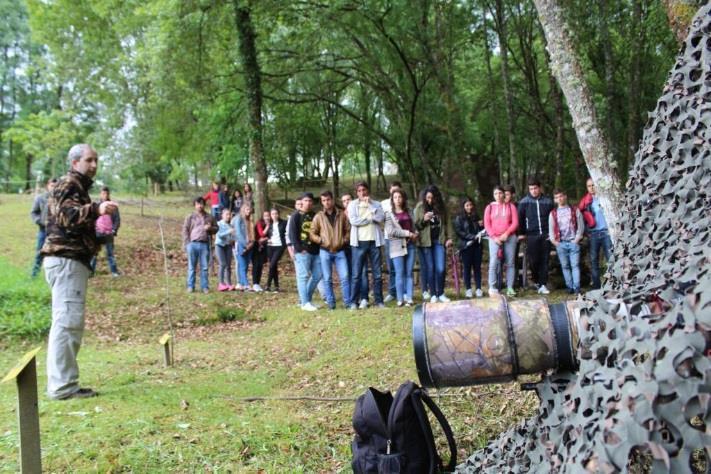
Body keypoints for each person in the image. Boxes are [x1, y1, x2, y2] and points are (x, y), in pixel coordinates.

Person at [41, 143, 118, 399]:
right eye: (88, 160)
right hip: (66, 260)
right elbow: (65, 216)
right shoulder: (68, 184)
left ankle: (64, 384)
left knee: (67, 321)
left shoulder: (78, 188)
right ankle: (63, 388)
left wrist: (98, 234)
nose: (94, 165)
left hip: (71, 260)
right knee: (67, 322)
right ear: (74, 163)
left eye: (96, 160)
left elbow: (72, 221)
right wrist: (96, 209)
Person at [309, 190, 352, 310]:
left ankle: (348, 303)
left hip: (340, 251)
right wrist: (321, 241)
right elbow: (312, 233)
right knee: (327, 278)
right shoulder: (319, 216)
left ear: (332, 200)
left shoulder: (342, 214)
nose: (326, 202)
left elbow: (348, 230)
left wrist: (343, 240)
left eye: (328, 200)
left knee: (345, 277)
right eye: (323, 200)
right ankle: (331, 304)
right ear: (321, 202)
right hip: (325, 251)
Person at [347, 181, 385, 309]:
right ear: (356, 192)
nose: (362, 193)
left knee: (377, 273)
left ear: (368, 190)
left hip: (374, 242)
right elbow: (353, 221)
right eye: (359, 191)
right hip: (359, 243)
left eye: (364, 190)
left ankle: (379, 301)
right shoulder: (352, 205)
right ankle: (355, 301)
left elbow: (380, 218)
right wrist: (369, 219)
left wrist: (370, 206)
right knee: (358, 274)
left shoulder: (376, 204)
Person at [414, 185, 453, 303]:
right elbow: (416, 226)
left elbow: (448, 223)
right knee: (430, 268)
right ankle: (433, 294)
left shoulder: (442, 208)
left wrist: (450, 238)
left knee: (440, 268)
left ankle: (441, 293)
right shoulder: (420, 207)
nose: (430, 200)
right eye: (428, 198)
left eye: (432, 198)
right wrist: (424, 220)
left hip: (439, 241)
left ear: (436, 197)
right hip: (426, 242)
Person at [517, 178, 555, 294]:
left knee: (545, 259)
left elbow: (554, 218)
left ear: (539, 188)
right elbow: (520, 219)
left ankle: (543, 284)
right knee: (533, 260)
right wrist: (522, 233)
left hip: (545, 234)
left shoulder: (548, 201)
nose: (533, 191)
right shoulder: (524, 202)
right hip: (531, 235)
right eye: (531, 189)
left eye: (535, 188)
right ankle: (536, 280)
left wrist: (552, 233)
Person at [289, 192, 322, 311]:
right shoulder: (295, 216)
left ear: (312, 203)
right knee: (302, 277)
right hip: (302, 251)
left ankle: (305, 300)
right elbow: (292, 234)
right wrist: (299, 249)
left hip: (316, 251)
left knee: (318, 275)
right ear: (301, 202)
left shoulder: (315, 215)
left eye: (310, 201)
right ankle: (304, 303)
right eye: (305, 201)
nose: (307, 203)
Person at [385, 189, 418, 306]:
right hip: (396, 247)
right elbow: (390, 231)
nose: (397, 200)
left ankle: (409, 298)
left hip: (411, 246)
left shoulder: (409, 211)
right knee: (399, 273)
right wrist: (407, 233)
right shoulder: (389, 215)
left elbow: (415, 226)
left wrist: (415, 234)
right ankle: (400, 299)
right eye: (395, 197)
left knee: (408, 273)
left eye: (400, 197)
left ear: (403, 199)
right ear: (392, 200)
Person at [578, 177, 613, 289]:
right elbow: (582, 220)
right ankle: (597, 287)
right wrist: (585, 233)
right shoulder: (585, 202)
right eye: (589, 186)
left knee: (611, 259)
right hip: (593, 234)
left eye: (593, 185)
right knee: (594, 261)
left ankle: (612, 285)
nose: (592, 188)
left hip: (606, 233)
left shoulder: (605, 198)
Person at [484, 185, 519, 296]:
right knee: (494, 262)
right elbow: (487, 225)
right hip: (494, 238)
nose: (498, 196)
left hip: (509, 237)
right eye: (495, 194)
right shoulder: (489, 207)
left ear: (504, 194)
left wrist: (507, 233)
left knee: (510, 263)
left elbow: (515, 223)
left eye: (500, 193)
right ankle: (492, 287)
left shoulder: (511, 206)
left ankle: (510, 287)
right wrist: (494, 237)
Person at [549, 189, 584, 295]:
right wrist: (554, 242)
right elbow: (551, 228)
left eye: (561, 196)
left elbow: (581, 226)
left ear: (565, 196)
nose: (559, 199)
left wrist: (577, 239)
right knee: (565, 266)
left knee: (575, 265)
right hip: (561, 243)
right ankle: (569, 287)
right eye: (557, 197)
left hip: (573, 241)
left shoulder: (574, 210)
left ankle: (577, 287)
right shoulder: (553, 213)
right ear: (555, 200)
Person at [182, 196, 218, 293]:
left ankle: (204, 286)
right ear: (195, 205)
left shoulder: (209, 217)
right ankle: (190, 286)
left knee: (205, 267)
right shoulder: (190, 217)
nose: (200, 206)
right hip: (192, 244)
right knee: (191, 267)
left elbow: (216, 228)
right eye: (198, 204)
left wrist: (210, 228)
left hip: (204, 244)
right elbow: (185, 230)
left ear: (204, 205)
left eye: (201, 204)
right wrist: (187, 243)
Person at [342, 192, 369, 303]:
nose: (346, 202)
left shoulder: (359, 211)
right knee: (350, 273)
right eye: (344, 201)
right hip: (346, 247)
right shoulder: (341, 215)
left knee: (362, 272)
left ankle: (364, 297)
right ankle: (353, 298)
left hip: (359, 244)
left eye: (348, 199)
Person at [454, 196, 484, 298]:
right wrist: (472, 237)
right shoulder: (459, 218)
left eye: (471, 205)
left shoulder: (476, 216)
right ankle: (468, 289)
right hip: (466, 246)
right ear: (463, 206)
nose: (469, 207)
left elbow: (481, 230)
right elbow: (459, 232)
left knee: (477, 268)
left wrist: (481, 225)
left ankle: (479, 288)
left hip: (477, 246)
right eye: (467, 205)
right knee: (467, 268)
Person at [90, 186, 121, 277]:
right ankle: (91, 271)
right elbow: (92, 219)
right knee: (94, 253)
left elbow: (117, 219)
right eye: (103, 193)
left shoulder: (112, 206)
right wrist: (94, 229)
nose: (105, 195)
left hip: (109, 233)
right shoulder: (96, 205)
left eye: (107, 193)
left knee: (110, 254)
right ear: (100, 194)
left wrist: (114, 230)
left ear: (109, 194)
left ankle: (114, 271)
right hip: (98, 232)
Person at [30, 178, 57, 277]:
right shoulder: (40, 198)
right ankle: (34, 275)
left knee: (55, 254)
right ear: (47, 186)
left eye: (56, 186)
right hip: (43, 230)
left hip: (56, 232)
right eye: (52, 186)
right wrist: (41, 221)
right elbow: (33, 213)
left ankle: (53, 275)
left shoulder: (61, 199)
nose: (53, 188)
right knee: (39, 253)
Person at [381, 181, 402, 303]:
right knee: (391, 266)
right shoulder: (383, 204)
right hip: (389, 238)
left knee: (401, 268)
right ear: (390, 190)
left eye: (397, 190)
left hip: (402, 238)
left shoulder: (403, 203)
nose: (395, 192)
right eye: (393, 190)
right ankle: (392, 291)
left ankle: (403, 291)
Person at [233, 203, 255, 291]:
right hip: (241, 244)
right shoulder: (238, 219)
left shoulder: (250, 220)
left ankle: (242, 283)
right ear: (243, 210)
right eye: (247, 209)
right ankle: (246, 284)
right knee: (242, 265)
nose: (248, 211)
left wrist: (251, 244)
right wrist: (245, 245)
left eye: (249, 210)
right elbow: (238, 234)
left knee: (246, 265)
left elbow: (253, 234)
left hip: (250, 245)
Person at [265, 208, 286, 292]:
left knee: (272, 264)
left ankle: (268, 285)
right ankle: (276, 286)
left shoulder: (284, 223)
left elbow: (287, 234)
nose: (274, 215)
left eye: (276, 213)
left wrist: (285, 245)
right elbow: (265, 235)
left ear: (278, 214)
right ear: (270, 215)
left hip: (279, 246)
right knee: (273, 266)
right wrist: (267, 240)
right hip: (270, 246)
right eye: (273, 214)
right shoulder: (269, 224)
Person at [215, 208, 235, 291]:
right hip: (219, 246)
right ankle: (221, 283)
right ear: (222, 215)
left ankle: (229, 284)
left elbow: (231, 236)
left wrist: (232, 239)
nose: (228, 216)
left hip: (228, 246)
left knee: (228, 266)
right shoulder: (218, 224)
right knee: (222, 264)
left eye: (229, 214)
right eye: (226, 214)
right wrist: (229, 231)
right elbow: (219, 235)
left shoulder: (230, 225)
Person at [252, 210, 270, 292]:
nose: (267, 217)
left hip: (264, 247)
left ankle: (258, 283)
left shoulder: (271, 223)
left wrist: (266, 239)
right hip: (256, 246)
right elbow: (262, 234)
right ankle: (255, 283)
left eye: (268, 215)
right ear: (262, 216)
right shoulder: (260, 223)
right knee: (256, 264)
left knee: (261, 265)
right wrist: (268, 226)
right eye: (265, 215)